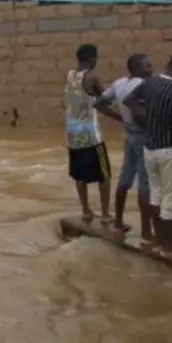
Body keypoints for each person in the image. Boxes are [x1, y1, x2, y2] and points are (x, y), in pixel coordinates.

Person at [123, 54, 172, 260]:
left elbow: (129, 101)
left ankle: (157, 240)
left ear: (167, 66)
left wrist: (145, 119)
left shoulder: (149, 83)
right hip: (169, 148)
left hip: (149, 148)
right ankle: (169, 246)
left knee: (156, 193)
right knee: (170, 197)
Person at [95, 53, 154, 238]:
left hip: (130, 135)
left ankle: (118, 222)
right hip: (144, 136)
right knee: (145, 185)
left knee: (125, 179)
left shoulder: (119, 83)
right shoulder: (143, 85)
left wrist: (120, 118)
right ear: (136, 68)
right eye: (147, 66)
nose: (151, 69)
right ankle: (146, 232)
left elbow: (99, 104)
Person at [64, 44, 112, 222]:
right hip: (92, 136)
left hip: (72, 136)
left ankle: (86, 211)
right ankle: (106, 214)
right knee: (104, 176)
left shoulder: (69, 75)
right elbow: (106, 99)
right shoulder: (92, 77)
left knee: (79, 175)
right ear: (92, 58)